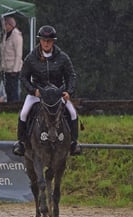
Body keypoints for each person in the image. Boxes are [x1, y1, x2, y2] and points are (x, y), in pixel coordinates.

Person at [12, 25, 81, 156]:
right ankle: (21, 143)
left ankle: (74, 143)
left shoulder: (63, 57)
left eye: (49, 41)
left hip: (57, 93)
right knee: (24, 113)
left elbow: (71, 75)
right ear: (40, 41)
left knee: (72, 113)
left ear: (53, 41)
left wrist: (69, 91)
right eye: (44, 40)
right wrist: (33, 90)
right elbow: (23, 77)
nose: (46, 43)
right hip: (38, 92)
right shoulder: (31, 57)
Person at [0, 16, 23, 102]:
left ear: (11, 25)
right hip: (6, 68)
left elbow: (18, 54)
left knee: (14, 89)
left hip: (13, 69)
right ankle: (9, 107)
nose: (4, 26)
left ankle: (14, 107)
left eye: (6, 24)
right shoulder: (5, 35)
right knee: (8, 90)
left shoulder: (16, 35)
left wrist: (15, 69)